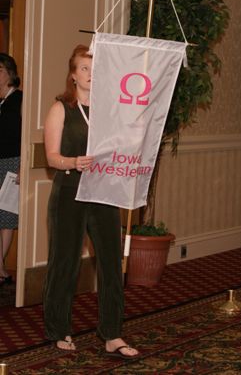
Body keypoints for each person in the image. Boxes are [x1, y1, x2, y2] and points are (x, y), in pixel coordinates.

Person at [43, 44, 139, 357]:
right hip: (70, 193)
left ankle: (112, 334)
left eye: (95, 69)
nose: (90, 75)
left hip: (104, 192)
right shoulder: (61, 109)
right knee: (65, 263)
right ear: (73, 75)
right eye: (84, 68)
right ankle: (59, 330)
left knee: (112, 264)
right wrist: (72, 162)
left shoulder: (110, 110)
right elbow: (51, 158)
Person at [0, 53, 22, 286]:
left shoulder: (20, 100)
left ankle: (0, 267)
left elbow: (26, 135)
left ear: (10, 73)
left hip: (11, 162)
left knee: (6, 216)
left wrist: (23, 165)